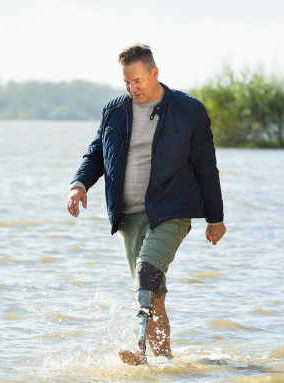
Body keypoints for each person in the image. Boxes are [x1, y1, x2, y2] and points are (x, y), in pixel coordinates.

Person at [65, 43, 226, 366]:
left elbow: (207, 166)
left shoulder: (188, 111)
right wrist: (79, 184)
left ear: (154, 73)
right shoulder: (114, 110)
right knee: (155, 295)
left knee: (146, 274)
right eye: (126, 82)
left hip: (172, 210)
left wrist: (215, 218)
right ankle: (165, 363)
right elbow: (96, 152)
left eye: (138, 80)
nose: (132, 88)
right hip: (128, 216)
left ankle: (139, 349)